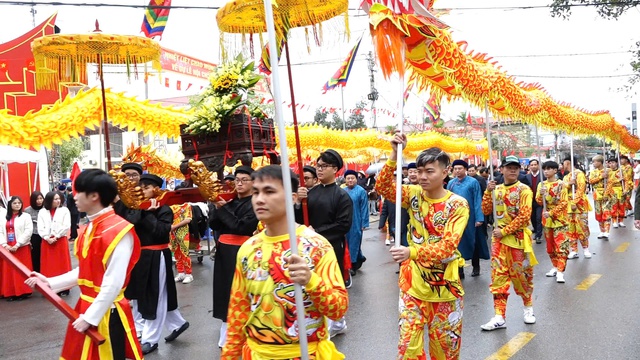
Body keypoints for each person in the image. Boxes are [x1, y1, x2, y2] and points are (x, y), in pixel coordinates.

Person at [221, 165, 348, 359]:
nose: (260, 199)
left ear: (293, 198)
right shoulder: (248, 249)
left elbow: (338, 308)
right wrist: (229, 355)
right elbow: (238, 311)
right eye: (256, 192)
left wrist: (311, 281)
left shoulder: (316, 246)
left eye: (269, 191)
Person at [25, 169, 143, 360]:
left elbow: (113, 282)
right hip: (86, 309)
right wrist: (49, 282)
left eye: (79, 191)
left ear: (94, 196)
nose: (74, 196)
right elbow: (86, 271)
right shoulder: (89, 228)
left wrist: (90, 317)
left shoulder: (119, 231)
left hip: (105, 312)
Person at [375, 136, 469, 360]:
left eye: (429, 171)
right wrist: (394, 155)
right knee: (408, 350)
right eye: (419, 171)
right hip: (412, 287)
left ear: (445, 172)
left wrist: (411, 252)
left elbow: (447, 248)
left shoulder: (457, 204)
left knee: (445, 354)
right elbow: (382, 186)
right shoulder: (412, 194)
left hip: (445, 291)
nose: (422, 176)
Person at [115, 173, 190, 355]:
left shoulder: (165, 209)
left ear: (155, 190)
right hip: (139, 255)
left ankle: (150, 339)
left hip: (157, 254)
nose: (142, 190)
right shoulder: (136, 208)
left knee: (154, 296)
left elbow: (161, 232)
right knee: (145, 295)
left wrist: (147, 214)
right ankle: (177, 323)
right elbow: (125, 220)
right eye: (141, 187)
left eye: (146, 187)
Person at [295, 149, 352, 337]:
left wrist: (317, 233)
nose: (319, 170)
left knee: (329, 283)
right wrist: (298, 202)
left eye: (324, 166)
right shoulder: (310, 193)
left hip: (331, 246)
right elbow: (298, 219)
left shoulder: (342, 196)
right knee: (311, 283)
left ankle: (336, 320)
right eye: (318, 166)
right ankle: (323, 321)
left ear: (334, 169)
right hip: (308, 247)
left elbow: (343, 225)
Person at [480, 155, 537, 331]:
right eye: (509, 167)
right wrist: (488, 193)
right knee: (498, 277)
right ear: (502, 169)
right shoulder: (495, 189)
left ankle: (528, 308)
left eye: (516, 167)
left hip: (518, 241)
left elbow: (525, 216)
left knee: (522, 277)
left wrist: (504, 231)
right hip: (498, 242)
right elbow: (486, 210)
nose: (512, 170)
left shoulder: (524, 190)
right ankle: (499, 316)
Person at [209, 166, 259, 348]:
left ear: (254, 183)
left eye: (244, 179)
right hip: (224, 251)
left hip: (242, 251)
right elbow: (214, 224)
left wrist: (222, 210)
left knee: (241, 291)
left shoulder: (255, 203)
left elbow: (241, 227)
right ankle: (227, 331)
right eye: (237, 179)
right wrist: (216, 207)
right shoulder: (229, 201)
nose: (239, 183)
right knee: (223, 291)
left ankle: (246, 331)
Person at [447, 159, 487, 278]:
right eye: (455, 169)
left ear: (465, 169)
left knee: (473, 241)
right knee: (457, 243)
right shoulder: (451, 183)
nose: (458, 171)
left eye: (460, 168)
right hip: (455, 217)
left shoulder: (473, 182)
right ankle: (460, 269)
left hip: (471, 217)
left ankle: (476, 266)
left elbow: (477, 200)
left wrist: (479, 218)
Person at [536, 161, 570, 283]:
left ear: (555, 170)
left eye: (549, 169)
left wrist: (551, 213)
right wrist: (541, 195)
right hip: (546, 219)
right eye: (544, 169)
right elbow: (539, 202)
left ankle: (560, 271)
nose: (546, 171)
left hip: (560, 219)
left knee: (561, 246)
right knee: (550, 247)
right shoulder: (542, 184)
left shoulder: (562, 185)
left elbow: (564, 202)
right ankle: (555, 266)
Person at [38, 191, 72, 296]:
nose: (58, 201)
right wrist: (46, 237)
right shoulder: (42, 212)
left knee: (62, 264)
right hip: (47, 241)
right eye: (55, 199)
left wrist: (56, 236)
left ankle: (65, 287)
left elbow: (67, 225)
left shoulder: (64, 210)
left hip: (60, 240)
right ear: (49, 200)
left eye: (59, 199)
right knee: (49, 265)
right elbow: (40, 227)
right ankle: (49, 286)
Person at [1, 196, 34, 301]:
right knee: (9, 271)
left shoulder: (26, 216)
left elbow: (28, 231)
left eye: (19, 203)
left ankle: (24, 291)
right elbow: (0, 231)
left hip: (21, 247)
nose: (17, 205)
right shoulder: (4, 217)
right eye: (15, 203)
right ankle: (10, 292)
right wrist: (5, 244)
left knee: (22, 270)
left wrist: (18, 244)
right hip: (8, 247)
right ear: (10, 204)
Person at [562, 157, 592, 259]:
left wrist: (575, 202)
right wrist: (568, 184)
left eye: (564, 163)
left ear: (567, 163)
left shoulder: (579, 174)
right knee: (570, 227)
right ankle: (574, 250)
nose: (563, 165)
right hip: (567, 204)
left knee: (582, 226)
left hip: (580, 204)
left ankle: (585, 248)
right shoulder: (566, 177)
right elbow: (562, 189)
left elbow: (581, 188)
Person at [343, 169, 369, 275]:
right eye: (348, 178)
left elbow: (364, 208)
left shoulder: (361, 191)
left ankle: (352, 265)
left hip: (356, 221)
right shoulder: (342, 191)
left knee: (354, 242)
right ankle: (360, 257)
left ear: (356, 179)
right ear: (345, 180)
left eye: (352, 178)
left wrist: (364, 223)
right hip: (344, 221)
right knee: (346, 243)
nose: (350, 180)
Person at [170, 203, 194, 284]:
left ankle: (189, 274)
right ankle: (181, 273)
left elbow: (188, 219)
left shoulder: (187, 205)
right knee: (176, 253)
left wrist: (175, 226)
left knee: (184, 253)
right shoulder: (171, 206)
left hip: (183, 233)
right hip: (172, 233)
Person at [588, 155, 612, 239]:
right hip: (596, 193)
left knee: (606, 212)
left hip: (606, 193)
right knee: (598, 213)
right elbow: (590, 181)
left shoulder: (608, 171)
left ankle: (607, 231)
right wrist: (601, 177)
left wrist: (606, 194)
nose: (594, 163)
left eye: (595, 161)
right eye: (593, 161)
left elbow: (610, 183)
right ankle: (601, 231)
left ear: (600, 162)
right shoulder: (593, 172)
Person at [24, 191, 44, 273]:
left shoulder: (46, 208)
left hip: (45, 235)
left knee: (45, 255)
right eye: (37, 199)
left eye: (41, 198)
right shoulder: (27, 210)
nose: (39, 201)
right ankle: (36, 272)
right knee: (35, 255)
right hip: (33, 235)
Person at [526, 159, 544, 244]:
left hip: (539, 201)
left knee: (538, 218)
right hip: (530, 201)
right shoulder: (527, 177)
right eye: (532, 165)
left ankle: (538, 235)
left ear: (538, 165)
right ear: (529, 166)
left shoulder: (542, 176)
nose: (533, 166)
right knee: (532, 217)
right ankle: (536, 230)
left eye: (535, 164)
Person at [607, 157, 625, 229]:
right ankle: (614, 221)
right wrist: (617, 180)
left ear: (617, 163)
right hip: (612, 191)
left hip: (620, 190)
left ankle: (621, 220)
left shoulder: (621, 171)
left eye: (613, 163)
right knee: (614, 206)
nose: (611, 164)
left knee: (621, 206)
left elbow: (625, 180)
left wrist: (625, 189)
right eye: (610, 163)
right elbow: (609, 182)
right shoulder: (608, 172)